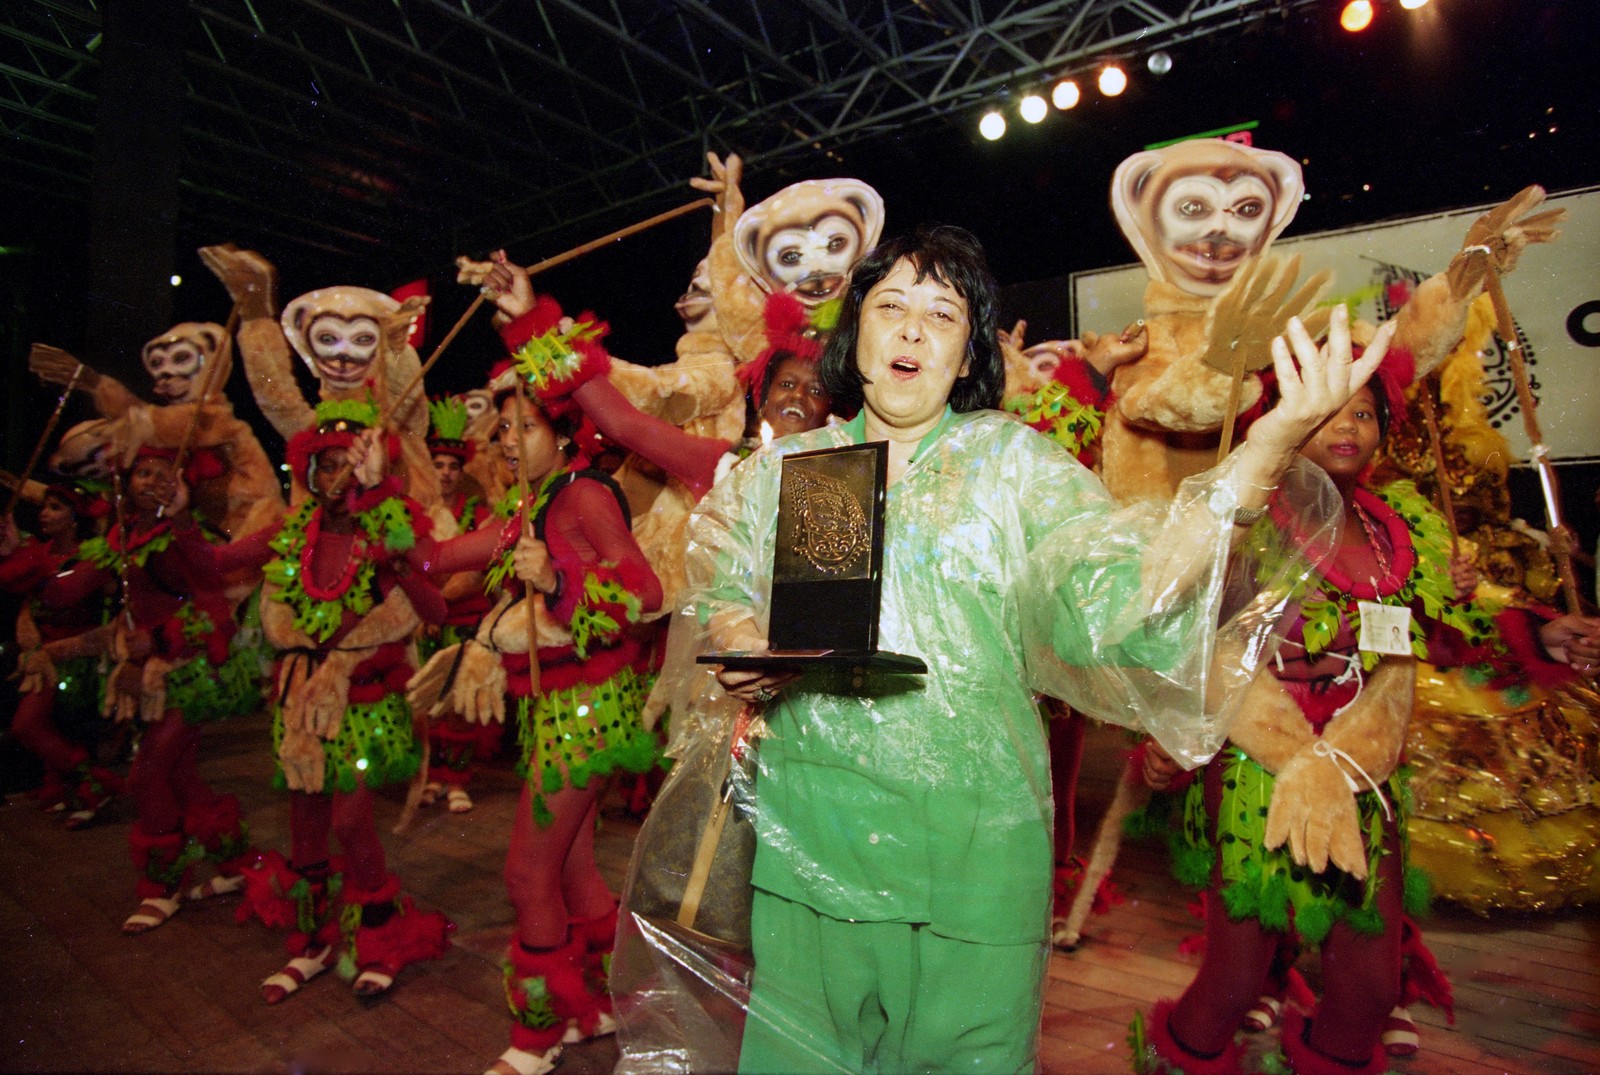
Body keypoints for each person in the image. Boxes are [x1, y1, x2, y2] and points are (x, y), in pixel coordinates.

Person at [626, 223, 1389, 1074]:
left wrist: (1261, 452)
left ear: (968, 353)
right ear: (858, 337)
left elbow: (1125, 594)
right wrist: (742, 643)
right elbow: (729, 594)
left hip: (973, 861)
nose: (912, 329)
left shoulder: (1016, 469)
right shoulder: (800, 471)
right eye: (891, 306)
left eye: (941, 313)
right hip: (814, 848)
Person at [1138, 360, 1600, 1075]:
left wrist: (1539, 632)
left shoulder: (1399, 529)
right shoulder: (1250, 517)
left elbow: (1439, 631)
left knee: (1370, 988)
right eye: (1327, 411)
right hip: (1260, 773)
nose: (1347, 427)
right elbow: (1183, 638)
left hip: (1362, 776)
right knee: (1232, 983)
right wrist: (1163, 742)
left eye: (1363, 413)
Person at [409, 307, 665, 1075]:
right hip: (554, 712)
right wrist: (385, 518)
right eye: (503, 431)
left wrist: (557, 580)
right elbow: (439, 555)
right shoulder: (525, 506)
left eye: (523, 427)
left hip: (588, 711)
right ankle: (599, 1004)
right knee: (574, 869)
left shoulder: (584, 493)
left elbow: (643, 590)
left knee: (525, 872)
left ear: (561, 431)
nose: (507, 442)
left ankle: (539, 1028)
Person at [237, 404, 453, 1004]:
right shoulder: (293, 533)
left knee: (350, 821)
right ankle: (313, 945)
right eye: (325, 466)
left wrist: (395, 542)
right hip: (300, 704)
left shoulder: (388, 528)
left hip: (362, 707)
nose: (336, 477)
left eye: (348, 466)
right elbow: (222, 567)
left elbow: (433, 612)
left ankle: (382, 940)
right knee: (304, 825)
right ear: (308, 472)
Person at [42, 447, 272, 933]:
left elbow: (214, 602)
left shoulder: (182, 532)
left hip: (191, 672)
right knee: (180, 775)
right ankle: (236, 864)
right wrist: (18, 558)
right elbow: (65, 590)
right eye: (140, 473)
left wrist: (161, 639)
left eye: (160, 473)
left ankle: (163, 887)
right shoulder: (120, 537)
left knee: (148, 775)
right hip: (154, 675)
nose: (150, 481)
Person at [0, 484, 117, 827]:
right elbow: (28, 606)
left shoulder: (93, 558)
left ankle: (95, 786)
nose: (44, 514)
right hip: (41, 657)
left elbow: (61, 596)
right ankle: (73, 789)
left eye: (55, 508)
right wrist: (32, 646)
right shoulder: (40, 553)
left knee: (27, 725)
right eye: (44, 507)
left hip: (78, 656)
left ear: (74, 518)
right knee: (45, 726)